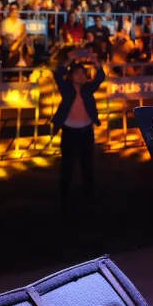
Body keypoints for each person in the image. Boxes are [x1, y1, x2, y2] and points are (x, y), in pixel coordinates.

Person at [52, 49, 106, 211]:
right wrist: (70, 59)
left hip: (86, 131)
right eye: (77, 73)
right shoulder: (66, 88)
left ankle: (88, 193)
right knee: (67, 165)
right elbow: (57, 74)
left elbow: (100, 77)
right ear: (71, 76)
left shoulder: (88, 89)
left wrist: (95, 62)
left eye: (83, 73)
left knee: (87, 164)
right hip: (69, 132)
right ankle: (65, 195)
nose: (80, 76)